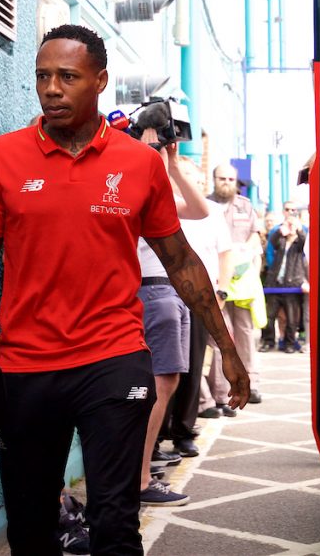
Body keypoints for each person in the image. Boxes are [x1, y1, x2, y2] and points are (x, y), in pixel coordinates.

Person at [0, 24, 250, 554]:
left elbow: (182, 262)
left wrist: (227, 348)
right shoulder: (3, 157)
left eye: (67, 76)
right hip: (27, 367)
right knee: (31, 529)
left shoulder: (140, 164)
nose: (51, 88)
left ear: (100, 81)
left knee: (114, 524)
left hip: (113, 359)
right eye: (42, 76)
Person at [134, 131, 212, 507]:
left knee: (163, 386)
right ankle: (140, 478)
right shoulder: (136, 190)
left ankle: (139, 472)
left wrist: (175, 164)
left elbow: (200, 209)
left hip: (167, 292)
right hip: (154, 291)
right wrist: (157, 160)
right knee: (159, 387)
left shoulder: (152, 186)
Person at [161, 156, 233, 459]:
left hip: (199, 296)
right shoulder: (160, 205)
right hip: (163, 293)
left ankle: (183, 431)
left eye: (192, 176)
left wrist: (221, 291)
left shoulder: (211, 212)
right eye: (181, 174)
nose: (186, 180)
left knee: (191, 366)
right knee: (162, 369)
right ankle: (155, 437)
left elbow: (224, 253)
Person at [207, 163, 264, 405]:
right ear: (214, 179)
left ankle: (251, 383)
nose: (227, 183)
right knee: (221, 337)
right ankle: (222, 392)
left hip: (242, 282)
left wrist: (244, 252)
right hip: (215, 280)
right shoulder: (204, 205)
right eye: (222, 178)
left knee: (245, 334)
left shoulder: (245, 205)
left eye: (231, 179)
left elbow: (255, 233)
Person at [264, 205, 309, 353]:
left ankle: (290, 343)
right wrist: (281, 229)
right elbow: (272, 241)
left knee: (292, 319)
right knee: (270, 316)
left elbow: (304, 241)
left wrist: (298, 228)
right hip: (275, 283)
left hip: (292, 284)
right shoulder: (281, 241)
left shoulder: (299, 243)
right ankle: (269, 341)